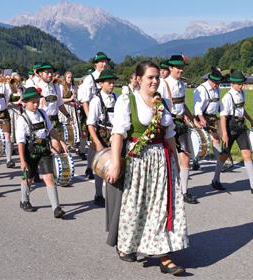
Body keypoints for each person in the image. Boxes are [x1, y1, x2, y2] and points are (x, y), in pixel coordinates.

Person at [105, 61, 187, 275]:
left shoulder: (163, 102)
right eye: (150, 77)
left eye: (157, 77)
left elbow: (169, 135)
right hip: (138, 160)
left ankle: (164, 255)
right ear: (139, 79)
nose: (155, 81)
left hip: (162, 160)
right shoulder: (127, 101)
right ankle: (128, 244)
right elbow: (118, 134)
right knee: (136, 204)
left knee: (161, 205)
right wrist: (115, 164)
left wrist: (176, 163)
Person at [14, 87, 69, 218]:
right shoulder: (22, 119)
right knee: (29, 178)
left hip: (44, 150)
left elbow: (50, 129)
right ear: (25, 102)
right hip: (30, 151)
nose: (35, 105)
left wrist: (60, 141)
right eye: (32, 102)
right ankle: (24, 201)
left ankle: (56, 207)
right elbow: (20, 142)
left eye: (37, 102)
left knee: (49, 178)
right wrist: (22, 160)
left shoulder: (43, 114)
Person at [210, 70, 253, 194]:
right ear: (232, 83)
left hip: (241, 126)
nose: (241, 85)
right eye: (238, 83)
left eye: (242, 83)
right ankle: (215, 179)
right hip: (230, 126)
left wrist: (251, 121)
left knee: (247, 154)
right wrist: (224, 134)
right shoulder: (227, 97)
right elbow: (223, 116)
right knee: (224, 155)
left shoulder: (243, 93)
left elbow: (242, 109)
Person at [158, 54, 200, 205]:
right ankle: (165, 189)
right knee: (167, 157)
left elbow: (183, 105)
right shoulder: (163, 84)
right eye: (178, 68)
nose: (181, 70)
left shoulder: (182, 84)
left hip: (181, 123)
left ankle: (184, 191)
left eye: (182, 68)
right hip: (168, 122)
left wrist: (194, 118)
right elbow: (157, 104)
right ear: (170, 68)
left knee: (186, 155)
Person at [87, 70, 119, 208]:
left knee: (116, 164)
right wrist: (97, 142)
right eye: (109, 83)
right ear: (101, 84)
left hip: (116, 133)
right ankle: (98, 195)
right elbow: (90, 123)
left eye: (113, 82)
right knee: (101, 166)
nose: (112, 85)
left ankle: (115, 195)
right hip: (102, 133)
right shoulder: (96, 100)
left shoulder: (117, 97)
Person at [79, 52, 112, 182]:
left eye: (105, 61)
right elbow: (85, 101)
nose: (104, 64)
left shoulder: (108, 78)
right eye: (101, 62)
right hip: (93, 114)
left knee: (96, 145)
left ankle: (96, 166)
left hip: (105, 115)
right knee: (94, 144)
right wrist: (90, 120)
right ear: (95, 64)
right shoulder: (90, 79)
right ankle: (89, 167)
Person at [193, 67, 225, 171]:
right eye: (215, 83)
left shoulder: (217, 88)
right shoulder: (201, 89)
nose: (217, 85)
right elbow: (197, 108)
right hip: (201, 116)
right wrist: (201, 119)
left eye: (219, 83)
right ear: (209, 80)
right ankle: (195, 162)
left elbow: (216, 103)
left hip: (212, 117)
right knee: (200, 139)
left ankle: (220, 162)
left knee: (216, 138)